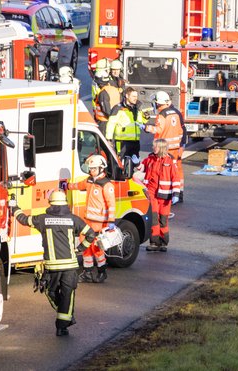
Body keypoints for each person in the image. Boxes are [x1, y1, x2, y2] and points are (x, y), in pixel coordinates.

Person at [13, 189, 96, 336]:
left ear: (50, 203)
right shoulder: (73, 219)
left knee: (51, 292)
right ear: (65, 203)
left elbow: (24, 220)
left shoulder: (43, 219)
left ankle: (65, 317)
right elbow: (91, 234)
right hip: (70, 266)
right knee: (67, 295)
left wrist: (14, 207)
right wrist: (80, 249)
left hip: (52, 267)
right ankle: (63, 324)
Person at [70, 154, 115, 283]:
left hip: (99, 223)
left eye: (94, 169)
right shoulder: (90, 180)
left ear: (101, 168)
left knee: (97, 247)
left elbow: (111, 204)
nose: (91, 171)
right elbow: (78, 185)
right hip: (88, 220)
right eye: (91, 169)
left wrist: (111, 222)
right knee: (85, 245)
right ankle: (87, 272)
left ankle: (102, 271)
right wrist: (67, 186)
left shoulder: (106, 185)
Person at [139, 141, 180, 251]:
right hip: (152, 194)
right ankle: (154, 243)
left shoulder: (170, 161)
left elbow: (175, 177)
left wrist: (176, 193)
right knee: (153, 219)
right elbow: (142, 166)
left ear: (160, 148)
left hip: (165, 196)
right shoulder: (150, 158)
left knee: (163, 220)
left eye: (154, 146)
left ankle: (163, 242)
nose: (152, 147)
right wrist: (138, 164)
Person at [146, 90, 186, 201]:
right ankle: (178, 193)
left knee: (164, 172)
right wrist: (181, 145)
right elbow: (181, 130)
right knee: (176, 170)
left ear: (158, 103)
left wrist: (146, 128)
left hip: (164, 148)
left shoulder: (161, 115)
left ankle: (165, 194)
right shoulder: (175, 113)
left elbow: (158, 129)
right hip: (176, 148)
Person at [105, 86, 144, 160]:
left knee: (134, 163)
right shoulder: (118, 108)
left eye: (136, 96)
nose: (135, 98)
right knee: (120, 162)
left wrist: (145, 118)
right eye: (133, 96)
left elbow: (140, 121)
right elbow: (111, 123)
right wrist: (109, 139)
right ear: (127, 96)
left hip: (135, 141)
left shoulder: (137, 108)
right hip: (122, 141)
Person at [91, 60, 122, 134]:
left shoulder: (102, 87)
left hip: (104, 118)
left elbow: (106, 108)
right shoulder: (109, 84)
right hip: (105, 117)